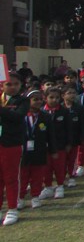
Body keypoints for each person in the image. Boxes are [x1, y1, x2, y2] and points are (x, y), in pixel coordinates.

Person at [18, 90, 56, 210]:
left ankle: (35, 196)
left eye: (40, 99)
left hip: (39, 150)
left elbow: (51, 135)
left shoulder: (45, 116)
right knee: (22, 175)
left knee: (37, 175)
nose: (38, 102)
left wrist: (53, 150)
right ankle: (20, 197)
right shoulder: (20, 115)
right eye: (35, 99)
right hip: (23, 150)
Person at [0, 74, 29, 226]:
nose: (13, 87)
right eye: (9, 84)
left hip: (11, 143)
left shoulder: (22, 100)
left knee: (11, 178)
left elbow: (17, 117)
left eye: (16, 84)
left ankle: (12, 208)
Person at [41, 87, 72, 200]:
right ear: (45, 98)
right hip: (45, 146)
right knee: (46, 167)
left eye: (57, 97)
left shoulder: (64, 111)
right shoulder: (41, 112)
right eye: (51, 97)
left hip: (60, 144)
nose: (54, 100)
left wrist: (68, 143)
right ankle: (48, 187)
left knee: (59, 166)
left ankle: (60, 186)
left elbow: (69, 128)